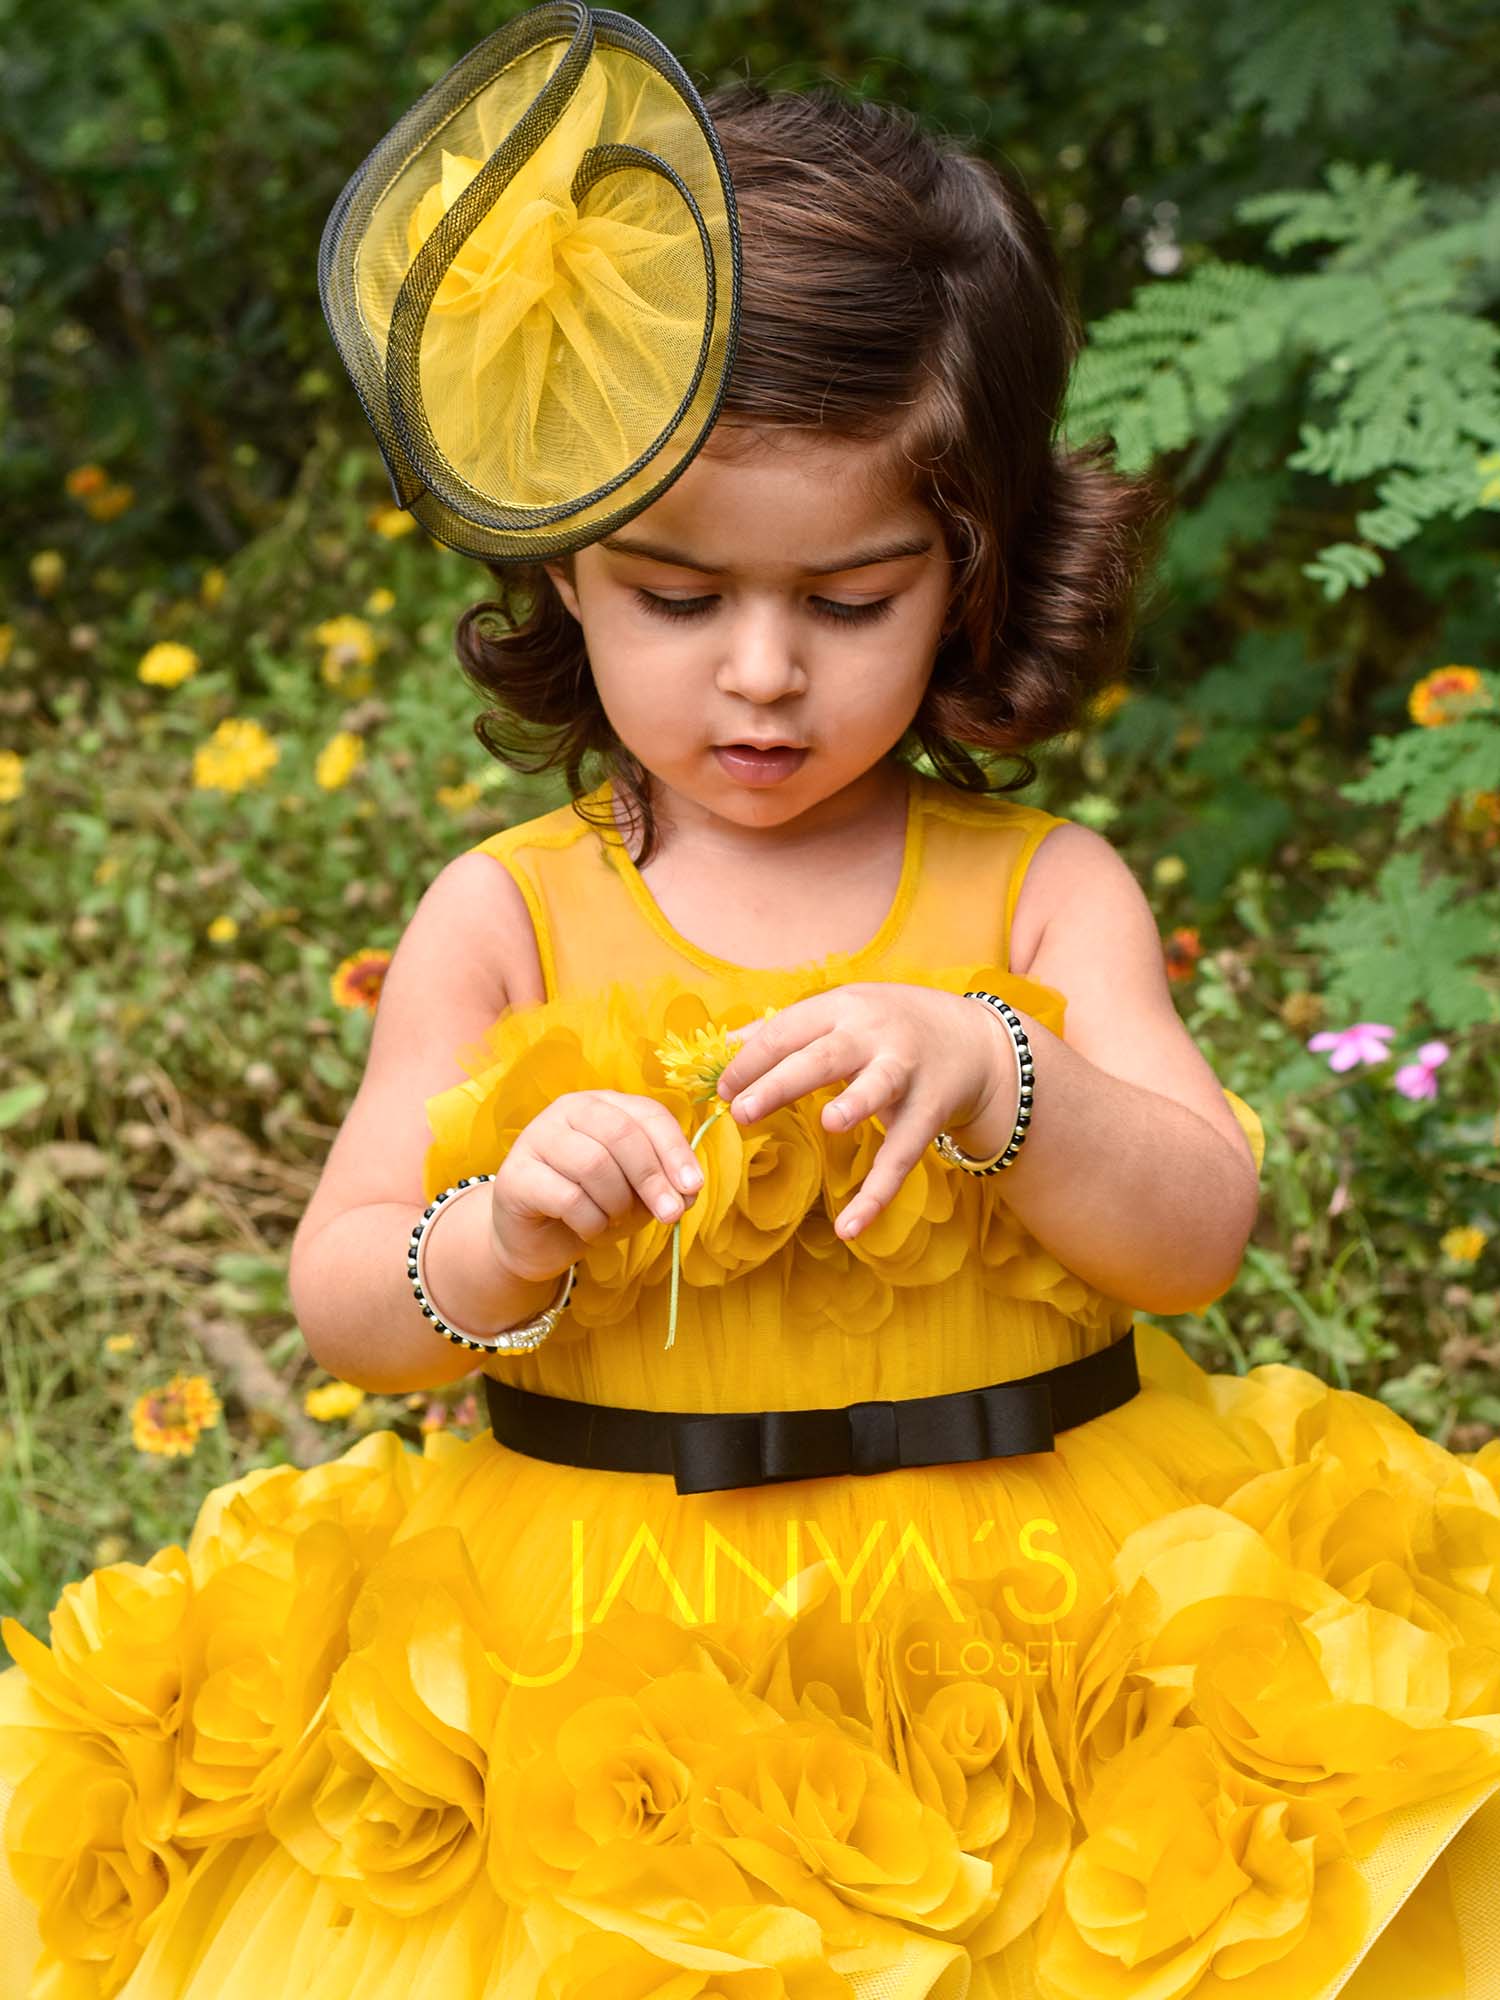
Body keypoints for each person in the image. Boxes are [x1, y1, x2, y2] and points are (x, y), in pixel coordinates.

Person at [4, 8, 1500, 1997]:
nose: (764, 676)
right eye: (680, 600)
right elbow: (352, 1301)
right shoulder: (508, 918)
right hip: (597, 1652)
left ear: (972, 570)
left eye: (850, 599)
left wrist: (1008, 1074)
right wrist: (503, 1228)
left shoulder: (1038, 893)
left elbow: (1197, 1232)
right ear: (563, 582)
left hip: (1036, 1645)